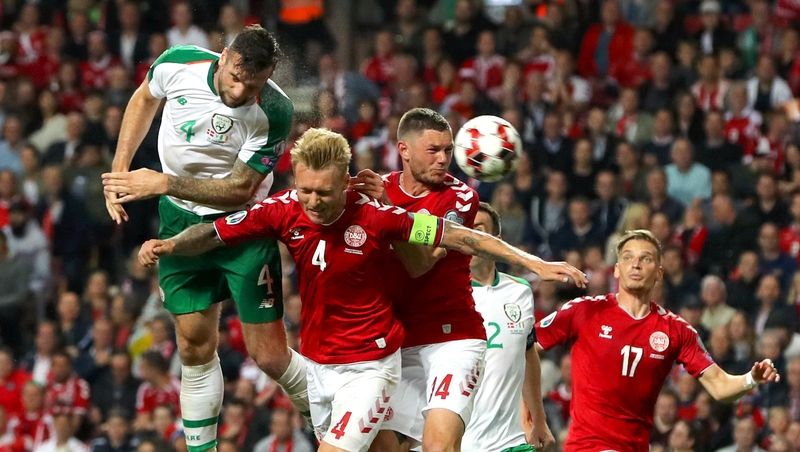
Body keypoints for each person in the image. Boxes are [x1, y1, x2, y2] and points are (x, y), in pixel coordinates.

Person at [137, 128, 585, 452]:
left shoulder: (376, 216)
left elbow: (463, 238)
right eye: (306, 190)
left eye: (324, 193)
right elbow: (215, 232)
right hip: (320, 366)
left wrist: (533, 263)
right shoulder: (284, 209)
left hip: (371, 366)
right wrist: (169, 244)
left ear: (345, 181)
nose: (313, 201)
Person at [101, 25, 305, 452]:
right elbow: (143, 99)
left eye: (253, 84)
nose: (241, 90)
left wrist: (163, 183)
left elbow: (239, 189)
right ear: (225, 55)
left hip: (244, 226)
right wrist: (120, 172)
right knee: (193, 345)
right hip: (180, 220)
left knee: (267, 356)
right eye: (236, 77)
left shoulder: (273, 109)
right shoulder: (178, 63)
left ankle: (325, 412)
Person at [348, 108, 585, 452]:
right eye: (434, 151)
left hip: (452, 338)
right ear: (404, 151)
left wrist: (532, 262)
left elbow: (420, 263)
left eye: (448, 150)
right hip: (395, 340)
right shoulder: (374, 190)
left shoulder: (458, 197)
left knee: (438, 447)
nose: (444, 159)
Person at [535, 229, 780, 451]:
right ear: (617, 269)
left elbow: (720, 386)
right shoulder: (586, 311)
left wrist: (751, 379)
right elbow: (525, 344)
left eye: (646, 259)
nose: (636, 265)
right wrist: (530, 412)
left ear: (659, 273)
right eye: (628, 258)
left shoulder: (676, 330)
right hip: (587, 446)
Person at [461, 202, 555, 452]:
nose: (471, 238)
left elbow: (528, 354)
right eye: (465, 231)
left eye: (479, 230)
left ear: (496, 242)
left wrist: (539, 420)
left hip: (511, 441)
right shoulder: (444, 294)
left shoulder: (520, 291)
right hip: (460, 442)